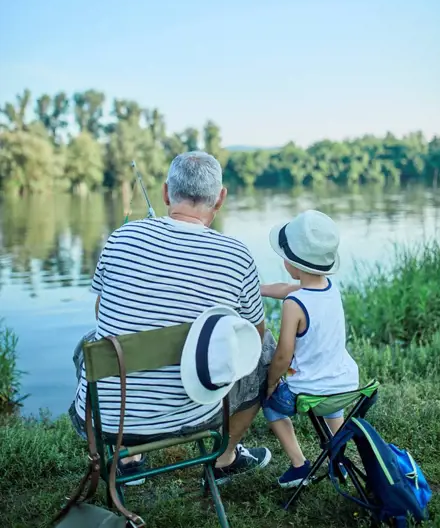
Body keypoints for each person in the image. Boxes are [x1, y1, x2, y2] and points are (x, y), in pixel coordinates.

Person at [70, 151, 275, 485]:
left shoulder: (120, 238)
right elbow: (254, 334)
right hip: (198, 413)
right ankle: (225, 457)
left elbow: (100, 312)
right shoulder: (237, 255)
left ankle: (128, 457)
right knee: (265, 346)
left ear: (166, 193)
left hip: (105, 419)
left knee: (89, 344)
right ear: (220, 199)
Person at [260, 209, 359, 488]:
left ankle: (299, 465)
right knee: (330, 403)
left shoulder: (295, 305)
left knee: (270, 406)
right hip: (344, 387)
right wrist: (258, 288)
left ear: (294, 264)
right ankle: (338, 459)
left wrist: (270, 383)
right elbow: (287, 288)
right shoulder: (329, 288)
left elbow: (283, 355)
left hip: (312, 392)